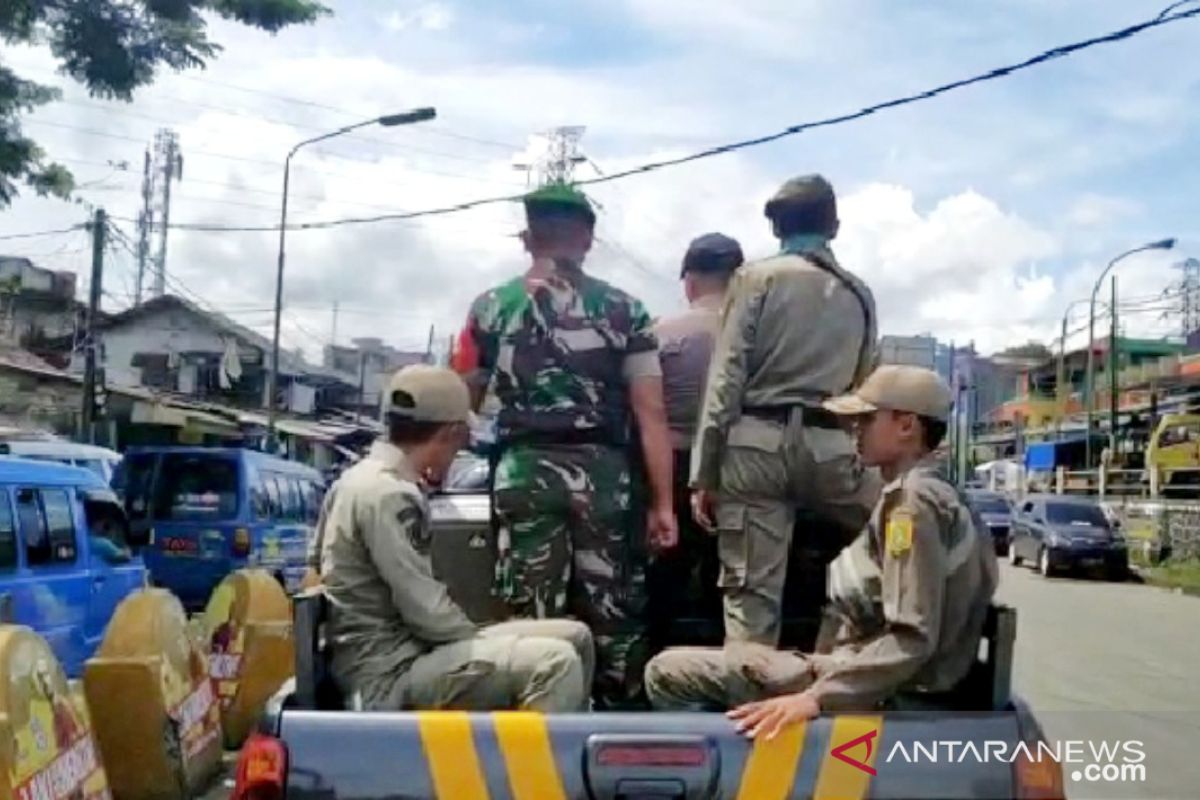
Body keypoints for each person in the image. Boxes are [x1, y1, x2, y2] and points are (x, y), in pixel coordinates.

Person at [646, 366, 999, 738]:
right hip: (875, 677)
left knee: (667, 672)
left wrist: (817, 697)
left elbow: (911, 637)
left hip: (876, 687)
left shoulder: (911, 504)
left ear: (907, 426)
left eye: (866, 419)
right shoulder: (940, 494)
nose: (854, 430)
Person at [453, 182, 678, 708]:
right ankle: (617, 718)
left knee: (532, 616)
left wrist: (436, 471)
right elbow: (652, 411)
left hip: (521, 472)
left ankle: (540, 723)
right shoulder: (626, 310)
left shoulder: (489, 308)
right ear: (589, 239)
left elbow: (459, 400)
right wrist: (664, 504)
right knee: (612, 606)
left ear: (528, 238)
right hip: (603, 475)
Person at [315, 365, 595, 712]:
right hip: (389, 674)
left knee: (576, 637)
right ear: (451, 433)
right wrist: (489, 647)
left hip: (398, 653)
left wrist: (494, 643)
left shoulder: (353, 479)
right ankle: (531, 767)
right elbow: (428, 615)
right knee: (555, 661)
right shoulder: (390, 494)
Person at [690, 173, 882, 647]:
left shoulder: (754, 279)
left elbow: (726, 379)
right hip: (832, 447)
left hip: (755, 445)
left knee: (750, 599)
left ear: (776, 228)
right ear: (834, 226)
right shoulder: (858, 293)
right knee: (889, 544)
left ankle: (752, 701)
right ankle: (839, 650)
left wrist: (705, 474)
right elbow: (864, 385)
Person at [647, 233, 744, 649]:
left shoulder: (660, 334)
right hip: (741, 467)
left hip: (670, 468)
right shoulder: (758, 337)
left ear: (688, 281)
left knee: (664, 582)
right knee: (734, 585)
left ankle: (659, 672)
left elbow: (643, 410)